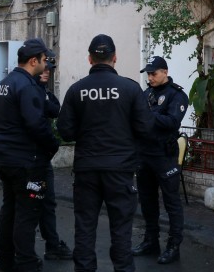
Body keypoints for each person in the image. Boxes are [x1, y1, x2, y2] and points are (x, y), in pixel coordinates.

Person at [57, 34, 154, 272]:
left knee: (85, 226)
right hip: (120, 169)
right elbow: (146, 128)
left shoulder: (76, 90)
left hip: (87, 169)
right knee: (121, 228)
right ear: (115, 58)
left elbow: (65, 131)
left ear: (90, 59)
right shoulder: (130, 88)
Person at [0, 38, 60, 272]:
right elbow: (36, 125)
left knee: (9, 209)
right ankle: (26, 263)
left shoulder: (4, 82)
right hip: (26, 161)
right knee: (27, 213)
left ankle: (5, 259)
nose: (46, 65)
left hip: (6, 158)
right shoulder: (27, 86)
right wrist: (53, 146)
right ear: (34, 61)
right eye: (44, 60)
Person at [131, 56, 188, 264]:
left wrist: (147, 114)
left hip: (164, 156)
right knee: (147, 200)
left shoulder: (177, 95)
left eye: (153, 73)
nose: (150, 77)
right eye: (148, 74)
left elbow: (172, 122)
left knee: (171, 201)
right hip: (144, 154)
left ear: (164, 72)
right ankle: (150, 240)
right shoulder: (147, 93)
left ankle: (174, 245)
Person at [36, 59, 73, 261]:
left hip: (42, 159)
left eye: (50, 69)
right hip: (29, 159)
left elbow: (55, 109)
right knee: (27, 207)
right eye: (45, 68)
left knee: (48, 203)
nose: (47, 72)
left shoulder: (43, 93)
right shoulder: (27, 90)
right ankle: (19, 253)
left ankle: (52, 244)